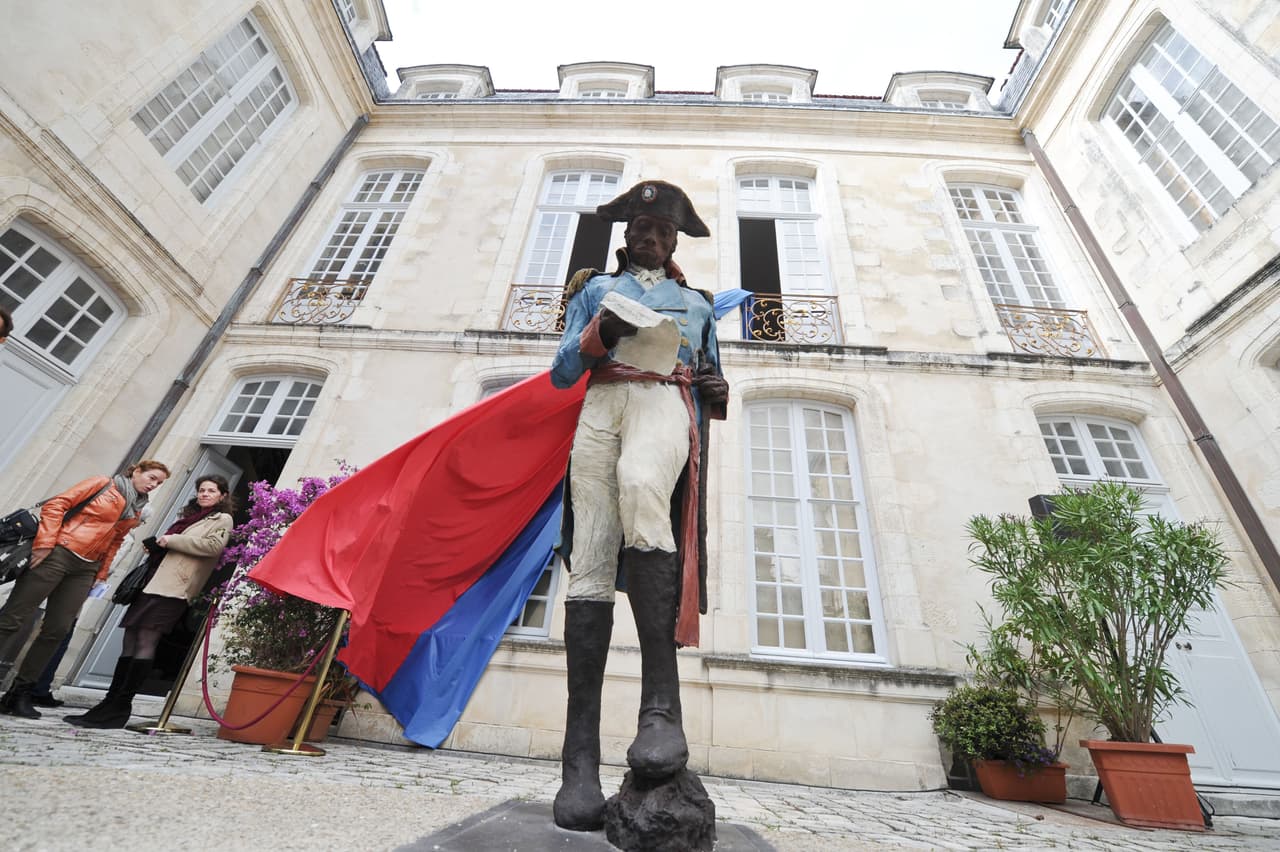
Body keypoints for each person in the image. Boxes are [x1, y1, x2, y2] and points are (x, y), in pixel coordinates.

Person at [548, 180, 729, 831]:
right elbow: (562, 372)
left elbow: (713, 376)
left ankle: (660, 710)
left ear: (674, 242)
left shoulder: (696, 302)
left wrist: (715, 384)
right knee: (592, 547)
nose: (650, 240)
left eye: (662, 232)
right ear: (626, 236)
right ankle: (579, 761)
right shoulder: (594, 289)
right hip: (603, 402)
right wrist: (600, 332)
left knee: (643, 487)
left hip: (661, 401)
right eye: (641, 230)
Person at [0, 460, 170, 718]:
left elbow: (115, 541)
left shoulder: (136, 508)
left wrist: (100, 574)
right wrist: (46, 543)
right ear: (137, 471)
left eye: (158, 483)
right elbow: (57, 504)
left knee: (57, 629)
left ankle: (19, 693)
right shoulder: (102, 484)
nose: (153, 484)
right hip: (58, 553)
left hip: (85, 569)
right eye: (152, 477)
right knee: (13, 618)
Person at [66, 475, 234, 728]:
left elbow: (212, 546)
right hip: (152, 583)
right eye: (202, 490)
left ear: (222, 495)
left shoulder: (222, 519)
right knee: (130, 640)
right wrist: (157, 545)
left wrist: (171, 540)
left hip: (174, 589)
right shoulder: (188, 517)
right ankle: (110, 703)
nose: (205, 494)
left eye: (211, 491)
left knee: (146, 641)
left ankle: (121, 706)